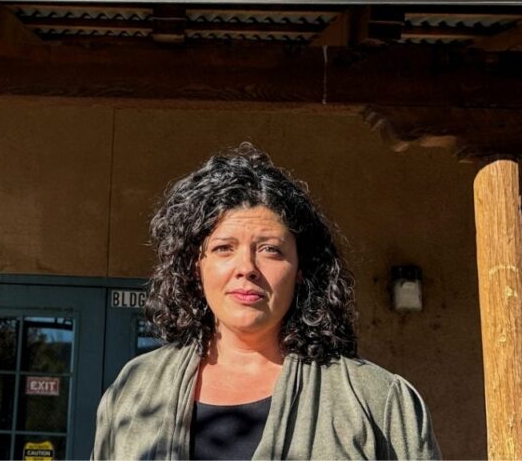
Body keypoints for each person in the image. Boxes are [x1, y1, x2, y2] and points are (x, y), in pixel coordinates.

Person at [93, 144, 440, 460]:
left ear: (301, 268)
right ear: (195, 267)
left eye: (270, 250)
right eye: (223, 248)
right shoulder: (136, 388)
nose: (247, 268)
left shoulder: (375, 399)